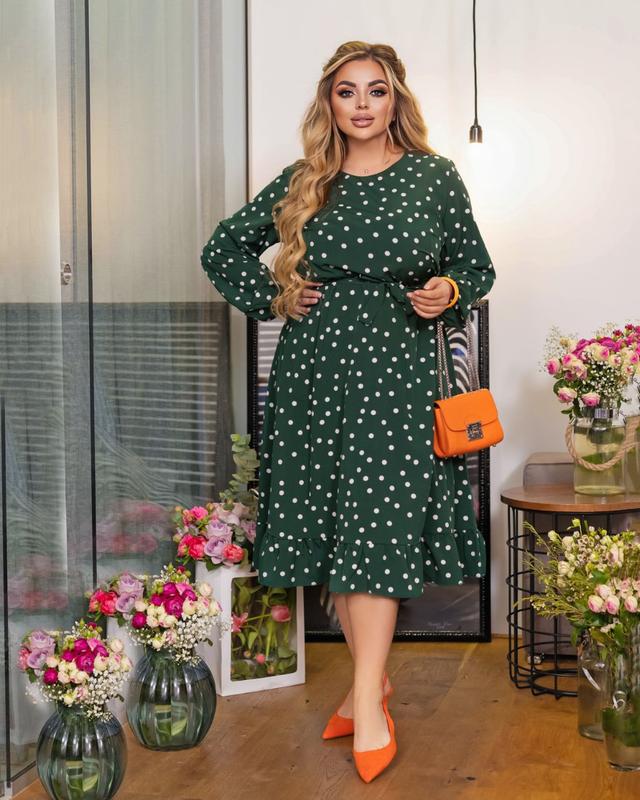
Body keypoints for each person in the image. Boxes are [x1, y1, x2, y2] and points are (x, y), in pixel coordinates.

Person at [201, 40, 495, 783]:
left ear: (396, 100)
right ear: (329, 103)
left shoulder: (434, 176)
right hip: (314, 377)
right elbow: (223, 249)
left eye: (376, 90)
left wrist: (449, 291)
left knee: (377, 527)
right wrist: (275, 296)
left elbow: (476, 265)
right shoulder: (306, 180)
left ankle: (366, 700)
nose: (362, 104)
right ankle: (373, 687)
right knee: (338, 526)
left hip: (398, 376)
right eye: (347, 91)